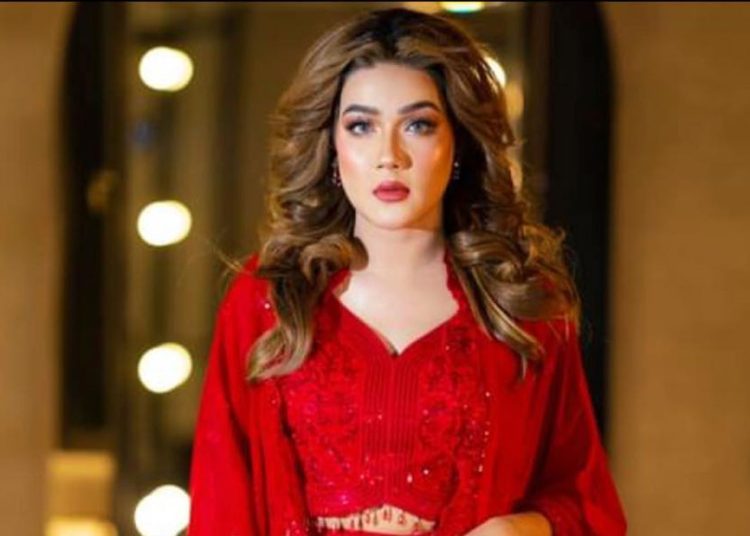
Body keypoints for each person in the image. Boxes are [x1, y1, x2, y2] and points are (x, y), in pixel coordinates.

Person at [187, 7, 627, 536]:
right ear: (331, 144)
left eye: (418, 125)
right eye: (361, 126)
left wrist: (522, 529)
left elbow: (586, 501)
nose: (389, 156)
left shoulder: (518, 304)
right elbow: (220, 505)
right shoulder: (272, 298)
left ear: (457, 142)